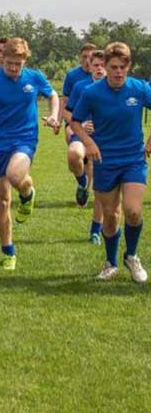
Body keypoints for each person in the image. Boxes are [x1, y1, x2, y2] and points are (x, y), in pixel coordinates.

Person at [0, 37, 59, 270]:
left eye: (18, 64)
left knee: (15, 176)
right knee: (2, 201)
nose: (14, 68)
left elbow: (52, 95)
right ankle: (8, 250)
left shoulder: (34, 77)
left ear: (24, 60)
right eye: (9, 63)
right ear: (2, 58)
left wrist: (53, 115)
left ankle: (28, 192)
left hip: (25, 138)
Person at [71, 42, 151, 283]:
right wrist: (89, 143)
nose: (118, 72)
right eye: (114, 67)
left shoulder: (139, 88)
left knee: (134, 211)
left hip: (133, 159)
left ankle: (132, 256)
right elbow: (75, 121)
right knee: (111, 215)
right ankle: (110, 262)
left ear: (129, 67)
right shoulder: (92, 92)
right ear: (104, 66)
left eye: (123, 67)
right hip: (105, 160)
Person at [63, 49, 107, 241]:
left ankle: (95, 231)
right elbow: (67, 112)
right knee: (73, 154)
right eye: (96, 65)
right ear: (90, 66)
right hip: (81, 136)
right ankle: (82, 183)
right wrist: (80, 125)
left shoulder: (116, 88)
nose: (99, 69)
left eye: (103, 65)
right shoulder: (81, 87)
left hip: (105, 141)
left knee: (99, 187)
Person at [61, 43, 96, 197]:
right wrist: (70, 124)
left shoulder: (113, 82)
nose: (88, 61)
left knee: (89, 159)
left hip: (102, 131)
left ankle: (85, 191)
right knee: (77, 156)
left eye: (92, 58)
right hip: (77, 124)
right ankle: (83, 182)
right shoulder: (75, 79)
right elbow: (66, 103)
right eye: (85, 57)